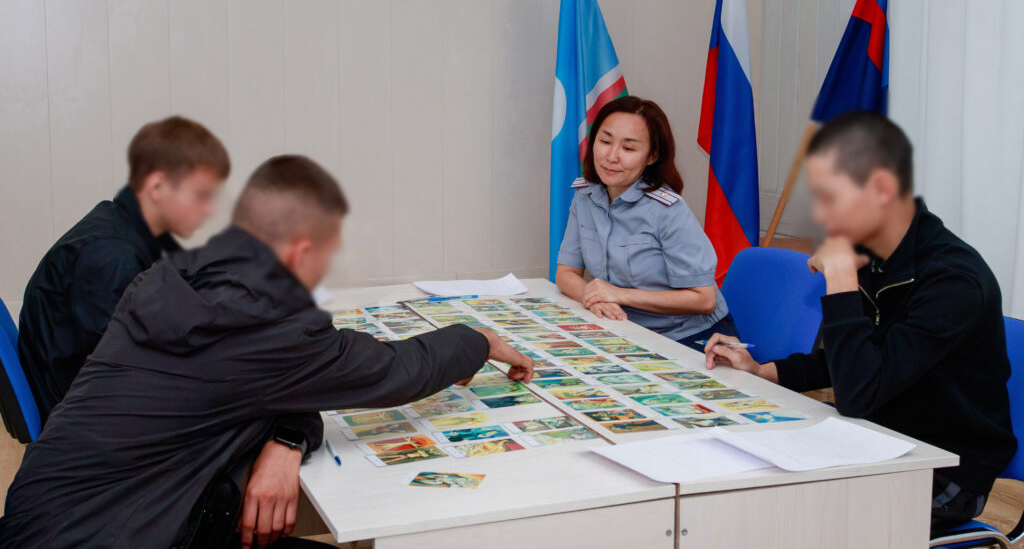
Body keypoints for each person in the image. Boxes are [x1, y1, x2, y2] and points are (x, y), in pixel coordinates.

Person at [0, 155, 533, 548]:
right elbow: (398, 370)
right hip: (117, 532)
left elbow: (253, 381)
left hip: (41, 515)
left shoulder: (164, 283)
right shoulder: (272, 328)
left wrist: (287, 437)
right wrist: (479, 340)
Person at [703, 111, 1017, 536]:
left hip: (945, 470)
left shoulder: (954, 280)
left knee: (788, 521)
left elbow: (859, 392)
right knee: (739, 483)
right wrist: (764, 371)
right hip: (875, 439)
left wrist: (841, 282)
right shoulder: (877, 254)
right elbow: (856, 360)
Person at [17, 116, 230, 424]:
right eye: (200, 195)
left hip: (88, 400)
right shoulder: (112, 256)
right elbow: (122, 368)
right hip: (87, 422)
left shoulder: (120, 226)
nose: (208, 209)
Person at [555, 96, 737, 350]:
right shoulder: (585, 196)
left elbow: (704, 299)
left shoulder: (667, 210)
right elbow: (565, 273)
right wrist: (594, 297)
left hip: (689, 336)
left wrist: (618, 294)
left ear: (651, 156)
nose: (612, 156)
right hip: (625, 330)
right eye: (605, 142)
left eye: (628, 149)